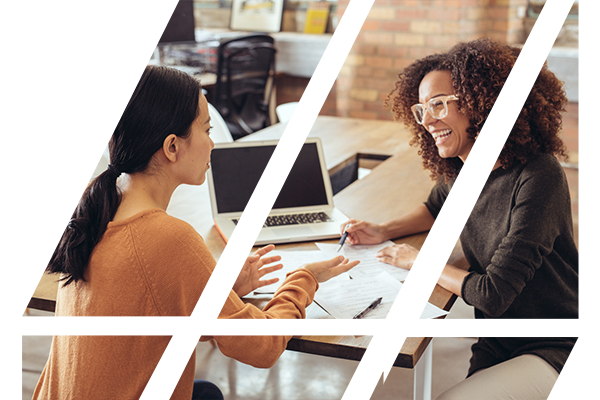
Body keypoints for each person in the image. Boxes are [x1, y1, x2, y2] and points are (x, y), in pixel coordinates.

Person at [33, 65, 359, 400]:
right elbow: (261, 348)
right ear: (172, 147)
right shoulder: (168, 237)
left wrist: (219, 293)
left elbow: (145, 311)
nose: (212, 144)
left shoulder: (96, 207)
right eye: (206, 129)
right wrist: (303, 280)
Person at [341, 38, 578, 400]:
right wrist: (383, 230)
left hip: (556, 343)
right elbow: (436, 207)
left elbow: (493, 294)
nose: (428, 121)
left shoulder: (539, 175)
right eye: (422, 110)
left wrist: (417, 261)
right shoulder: (463, 170)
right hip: (499, 340)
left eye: (438, 104)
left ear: (481, 103)